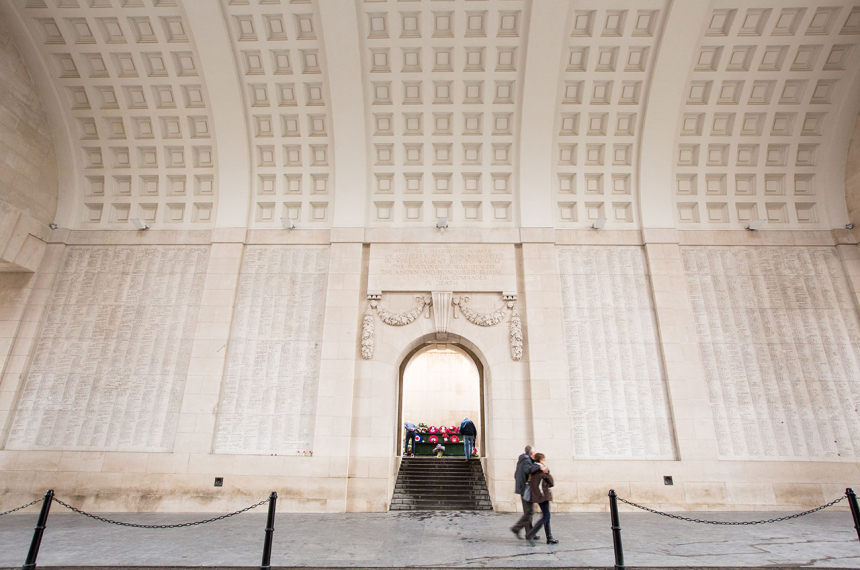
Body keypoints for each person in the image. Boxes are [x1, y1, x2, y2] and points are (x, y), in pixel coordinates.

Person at [510, 445, 547, 540]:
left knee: (528, 511)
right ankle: (517, 528)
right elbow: (528, 470)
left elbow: (516, 474)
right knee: (529, 511)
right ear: (531, 453)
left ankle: (529, 533)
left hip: (522, 487)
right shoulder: (526, 460)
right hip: (525, 489)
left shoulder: (522, 459)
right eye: (534, 453)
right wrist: (539, 468)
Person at [525, 453, 557, 546]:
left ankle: (549, 537)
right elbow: (551, 482)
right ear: (541, 460)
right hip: (543, 495)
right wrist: (547, 472)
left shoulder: (533, 468)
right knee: (546, 516)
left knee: (546, 515)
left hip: (537, 495)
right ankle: (531, 533)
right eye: (544, 459)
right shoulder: (542, 469)